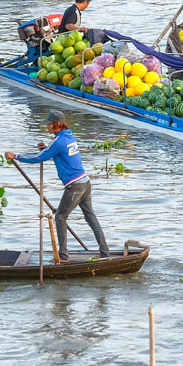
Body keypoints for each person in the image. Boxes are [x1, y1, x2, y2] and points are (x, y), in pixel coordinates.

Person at [6, 111, 110, 261]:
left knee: (60, 217)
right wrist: (46, 149)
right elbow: (56, 152)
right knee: (90, 217)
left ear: (56, 124)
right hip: (85, 183)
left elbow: (38, 158)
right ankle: (105, 253)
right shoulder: (69, 136)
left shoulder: (59, 141)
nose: (47, 126)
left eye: (49, 124)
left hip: (74, 186)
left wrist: (16, 156)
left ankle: (63, 257)